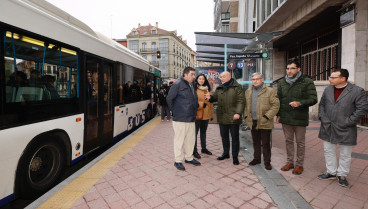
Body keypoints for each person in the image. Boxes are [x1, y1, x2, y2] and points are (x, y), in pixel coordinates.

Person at [317, 68, 368, 187]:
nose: (329, 79)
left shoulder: (356, 91)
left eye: (333, 77)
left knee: (345, 153)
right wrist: (323, 118)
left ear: (343, 79)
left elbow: (362, 108)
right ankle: (331, 172)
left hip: (346, 128)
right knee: (328, 150)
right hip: (328, 126)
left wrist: (349, 121)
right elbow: (322, 105)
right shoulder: (328, 89)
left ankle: (342, 175)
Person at [276, 59, 317, 175]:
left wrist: (301, 103)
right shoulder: (282, 82)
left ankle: (299, 164)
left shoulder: (307, 81)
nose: (289, 71)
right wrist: (278, 114)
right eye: (287, 69)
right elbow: (278, 99)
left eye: (292, 68)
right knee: (288, 141)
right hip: (286, 117)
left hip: (300, 117)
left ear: (299, 69)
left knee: (300, 142)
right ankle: (289, 162)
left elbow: (313, 98)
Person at [205, 71, 245, 165]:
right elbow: (214, 98)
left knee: (235, 138)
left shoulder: (237, 87)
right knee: (224, 137)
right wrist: (209, 98)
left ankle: (235, 157)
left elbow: (241, 101)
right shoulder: (219, 88)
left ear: (229, 77)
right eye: (220, 77)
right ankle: (226, 153)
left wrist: (238, 113)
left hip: (233, 117)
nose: (221, 79)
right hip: (222, 117)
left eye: (223, 77)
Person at [166, 67, 200, 171]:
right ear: (185, 75)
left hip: (191, 118)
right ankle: (178, 161)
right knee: (179, 140)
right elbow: (169, 99)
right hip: (180, 118)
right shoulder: (177, 84)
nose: (194, 77)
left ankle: (189, 158)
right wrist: (175, 111)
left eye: (194, 74)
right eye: (192, 74)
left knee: (190, 140)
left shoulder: (192, 85)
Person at [244, 73, 280, 170]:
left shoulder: (270, 91)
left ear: (262, 79)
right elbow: (246, 105)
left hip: (265, 121)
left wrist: (267, 116)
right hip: (253, 121)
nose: (255, 81)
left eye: (257, 79)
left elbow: (275, 105)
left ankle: (267, 162)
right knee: (255, 142)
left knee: (266, 143)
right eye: (253, 79)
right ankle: (257, 158)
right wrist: (246, 116)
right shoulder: (248, 91)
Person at [193, 74, 214, 159]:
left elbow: (211, 103)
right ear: (197, 80)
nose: (201, 80)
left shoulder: (208, 90)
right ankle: (194, 150)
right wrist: (202, 104)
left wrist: (212, 115)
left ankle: (204, 148)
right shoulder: (194, 89)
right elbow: (193, 102)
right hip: (197, 114)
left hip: (206, 115)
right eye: (200, 79)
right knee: (194, 133)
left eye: (203, 79)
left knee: (203, 132)